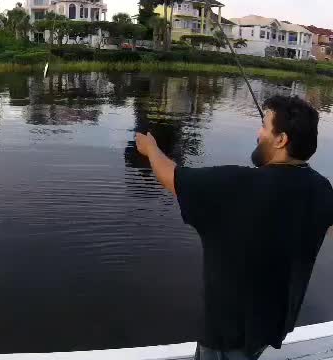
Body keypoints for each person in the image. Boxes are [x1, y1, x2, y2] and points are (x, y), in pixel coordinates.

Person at [135, 95, 333, 360]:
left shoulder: (235, 185)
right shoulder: (321, 189)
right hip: (270, 328)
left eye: (264, 125)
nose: (258, 132)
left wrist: (150, 149)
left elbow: (170, 175)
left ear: (281, 140)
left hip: (225, 339)